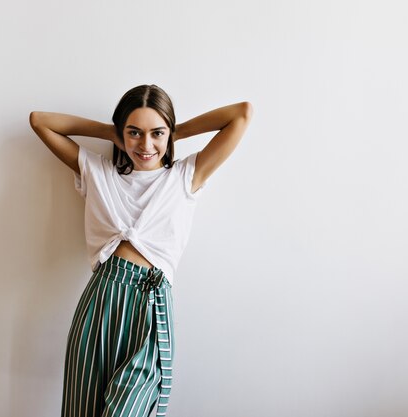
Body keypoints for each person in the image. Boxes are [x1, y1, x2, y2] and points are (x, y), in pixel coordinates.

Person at [29, 84, 253, 417]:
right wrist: (113, 132)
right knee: (82, 409)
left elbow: (241, 114)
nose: (145, 145)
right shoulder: (98, 172)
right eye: (134, 133)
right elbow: (40, 121)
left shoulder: (186, 176)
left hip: (152, 305)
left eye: (156, 134)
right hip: (101, 301)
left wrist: (172, 133)